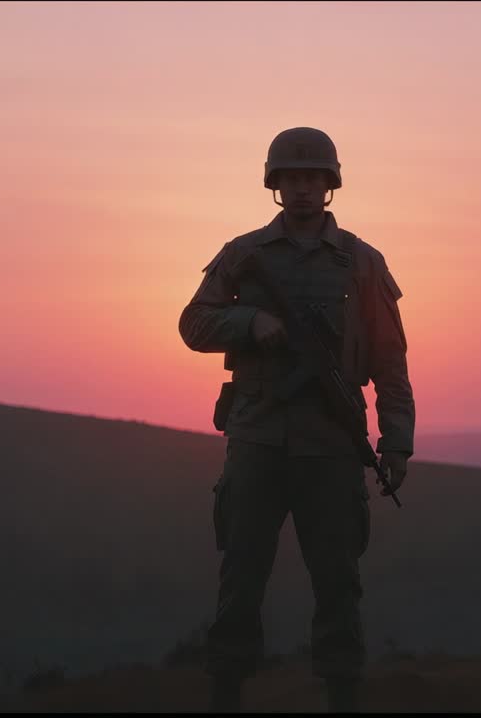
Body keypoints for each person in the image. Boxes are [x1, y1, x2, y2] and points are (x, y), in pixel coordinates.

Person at [178, 126, 415, 712]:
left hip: (332, 443)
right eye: (292, 178)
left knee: (338, 583)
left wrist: (398, 441)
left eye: (313, 178)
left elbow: (389, 359)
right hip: (257, 437)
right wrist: (249, 323)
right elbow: (193, 324)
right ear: (275, 185)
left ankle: (342, 694)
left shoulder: (362, 263)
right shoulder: (244, 256)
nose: (303, 188)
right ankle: (225, 693)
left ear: (330, 185)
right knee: (240, 582)